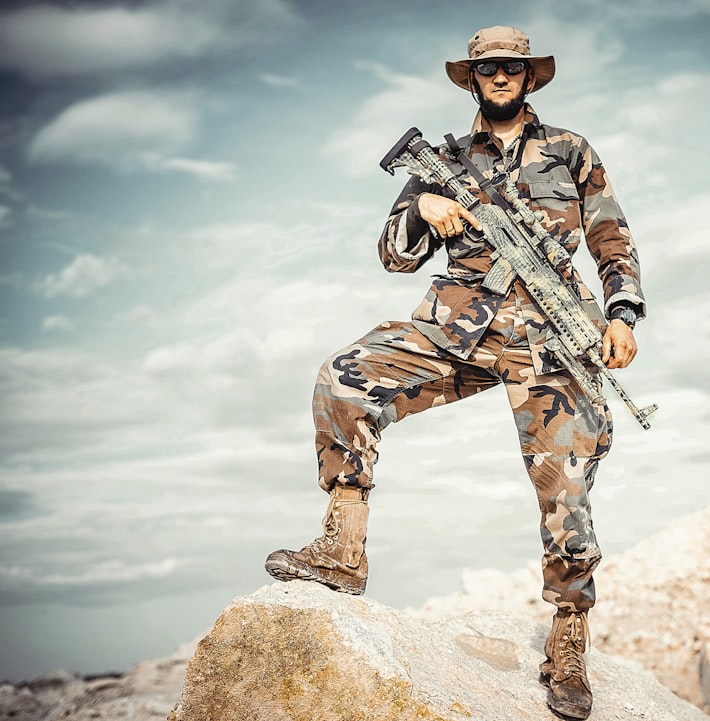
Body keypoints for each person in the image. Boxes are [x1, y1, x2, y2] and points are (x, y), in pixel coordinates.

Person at [264, 25, 646, 720]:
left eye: (512, 67)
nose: (501, 76)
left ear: (530, 77)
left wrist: (622, 313)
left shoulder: (570, 150)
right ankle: (343, 547)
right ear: (471, 79)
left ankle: (567, 640)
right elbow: (393, 253)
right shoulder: (439, 159)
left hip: (552, 341)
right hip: (457, 329)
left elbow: (612, 238)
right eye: (488, 68)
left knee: (566, 489)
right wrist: (422, 209)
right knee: (344, 377)